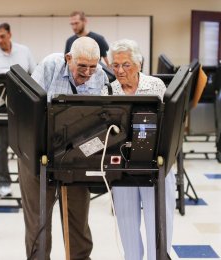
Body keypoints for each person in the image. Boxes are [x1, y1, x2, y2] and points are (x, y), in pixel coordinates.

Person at [19, 36, 109, 260]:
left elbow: (103, 121)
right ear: (69, 58)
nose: (88, 73)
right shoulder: (51, 65)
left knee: (78, 219)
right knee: (38, 220)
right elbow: (30, 109)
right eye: (82, 66)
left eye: (92, 66)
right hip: (39, 151)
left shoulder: (101, 77)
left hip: (77, 155)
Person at [102, 39, 176, 260]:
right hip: (122, 166)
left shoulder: (155, 86)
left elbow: (168, 125)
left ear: (139, 64)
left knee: (160, 224)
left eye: (125, 65)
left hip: (155, 163)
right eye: (115, 65)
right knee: (126, 224)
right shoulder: (108, 90)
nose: (120, 70)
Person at [0, 22, 36, 197]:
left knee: (28, 146)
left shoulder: (24, 51)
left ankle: (30, 182)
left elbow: (35, 75)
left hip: (23, 108)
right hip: (0, 107)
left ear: (10, 34)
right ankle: (4, 184)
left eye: (2, 36)